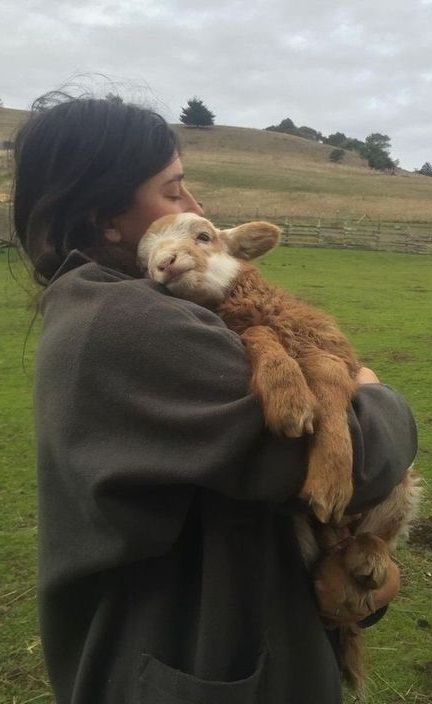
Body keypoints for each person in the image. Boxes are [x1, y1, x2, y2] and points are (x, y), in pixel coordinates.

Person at [14, 94, 417, 704]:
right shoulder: (125, 321)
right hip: (194, 669)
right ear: (107, 217)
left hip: (216, 651)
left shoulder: (117, 309)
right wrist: (373, 389)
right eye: (174, 191)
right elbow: (350, 461)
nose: (196, 206)